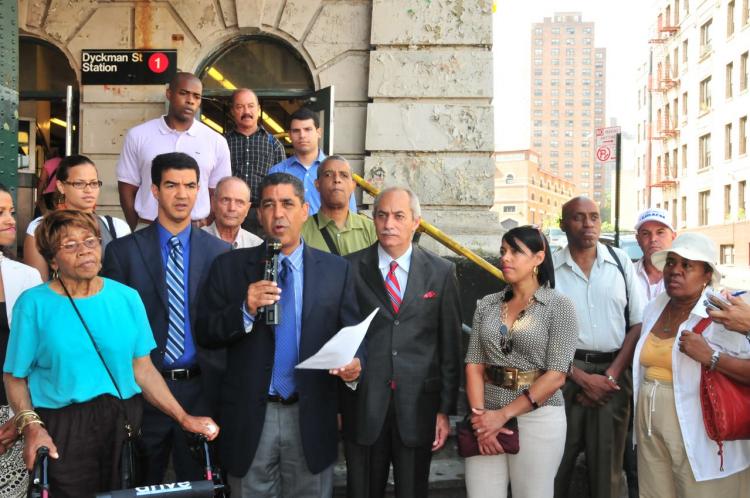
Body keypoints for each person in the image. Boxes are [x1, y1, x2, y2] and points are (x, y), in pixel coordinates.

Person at [3, 210, 218, 498]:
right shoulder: (33, 304)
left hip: (123, 424)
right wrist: (31, 427)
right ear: (52, 259)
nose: (85, 251)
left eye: (90, 241)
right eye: (70, 245)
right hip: (62, 427)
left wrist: (183, 417)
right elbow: (14, 376)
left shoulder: (127, 297)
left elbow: (142, 369)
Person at [197, 172, 362, 497]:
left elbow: (355, 334)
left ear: (304, 210)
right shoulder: (228, 267)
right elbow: (206, 332)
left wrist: (356, 365)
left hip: (310, 415)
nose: (278, 214)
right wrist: (244, 308)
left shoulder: (336, 270)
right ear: (259, 215)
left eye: (287, 204)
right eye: (269, 205)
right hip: (250, 418)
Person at [103, 152, 230, 485]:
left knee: (201, 486)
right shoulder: (123, 252)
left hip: (202, 388)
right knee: (142, 485)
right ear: (155, 190)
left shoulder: (219, 253)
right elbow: (114, 331)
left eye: (190, 185)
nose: (182, 194)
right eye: (172, 185)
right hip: (144, 392)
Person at [343, 187, 462, 498]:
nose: (388, 224)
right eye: (381, 215)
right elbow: (341, 332)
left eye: (398, 216)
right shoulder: (349, 268)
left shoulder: (441, 272)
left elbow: (450, 346)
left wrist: (444, 410)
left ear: (416, 222)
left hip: (419, 406)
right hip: (365, 403)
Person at [632, 232, 750, 497]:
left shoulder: (725, 314)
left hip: (702, 425)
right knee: (655, 492)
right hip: (650, 422)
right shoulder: (654, 307)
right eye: (671, 263)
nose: (675, 271)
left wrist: (712, 358)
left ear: (707, 274)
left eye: (687, 265)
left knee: (701, 490)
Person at [465, 226, 578, 498]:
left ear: (539, 258)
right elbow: (474, 364)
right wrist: (482, 420)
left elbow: (556, 376)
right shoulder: (487, 305)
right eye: (503, 251)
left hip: (538, 419)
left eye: (515, 251)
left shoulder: (559, 306)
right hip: (485, 416)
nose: (506, 258)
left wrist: (502, 417)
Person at [553, 196, 645, 498]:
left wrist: (610, 376)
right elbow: (540, 333)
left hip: (613, 376)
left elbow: (637, 323)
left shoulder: (620, 263)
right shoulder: (550, 269)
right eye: (579, 217)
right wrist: (580, 378)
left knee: (608, 469)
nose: (588, 224)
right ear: (563, 224)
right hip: (561, 376)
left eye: (594, 216)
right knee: (555, 464)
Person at [117, 72, 231, 230]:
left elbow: (218, 193)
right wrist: (138, 227)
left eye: (196, 96)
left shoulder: (216, 141)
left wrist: (204, 225)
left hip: (196, 230)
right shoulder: (138, 135)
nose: (190, 100)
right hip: (148, 226)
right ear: (169, 94)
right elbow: (127, 189)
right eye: (183, 93)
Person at [24, 155, 131, 281]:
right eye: (79, 184)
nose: (88, 189)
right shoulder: (40, 227)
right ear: (61, 186)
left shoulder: (117, 227)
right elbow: (37, 287)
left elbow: (126, 280)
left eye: (94, 183)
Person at [0, 184, 42, 498]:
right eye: (0, 212)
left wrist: (23, 419)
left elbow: (38, 359)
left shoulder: (26, 277)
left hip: (12, 419)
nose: (10, 219)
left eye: (12, 211)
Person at [269, 108, 357, 215]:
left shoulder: (339, 171)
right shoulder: (277, 172)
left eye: (308, 129)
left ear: (318, 132)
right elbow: (271, 213)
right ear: (290, 135)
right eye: (296, 131)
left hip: (328, 231)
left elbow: (351, 214)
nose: (302, 135)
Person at [225, 88, 286, 235]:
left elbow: (281, 183)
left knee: (262, 256)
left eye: (251, 106)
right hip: (229, 212)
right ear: (233, 111)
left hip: (261, 215)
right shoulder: (221, 142)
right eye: (240, 107)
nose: (246, 111)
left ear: (258, 109)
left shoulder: (273, 144)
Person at [300, 155, 376, 255]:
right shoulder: (301, 232)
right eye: (328, 175)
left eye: (344, 175)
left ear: (353, 185)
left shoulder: (371, 230)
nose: (337, 179)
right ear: (317, 184)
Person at [202, 176, 263, 249]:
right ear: (213, 203)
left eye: (239, 202)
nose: (232, 208)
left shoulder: (257, 246)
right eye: (225, 200)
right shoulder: (195, 240)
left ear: (247, 209)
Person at [634, 208, 677, 301]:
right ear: (637, 239)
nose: (653, 239)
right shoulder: (626, 275)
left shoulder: (683, 277)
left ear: (673, 236)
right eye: (646, 233)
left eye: (660, 232)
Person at [35, 148, 61, 214]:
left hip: (50, 193)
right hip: (62, 192)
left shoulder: (48, 163)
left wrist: (38, 197)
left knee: (50, 214)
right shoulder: (65, 162)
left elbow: (42, 181)